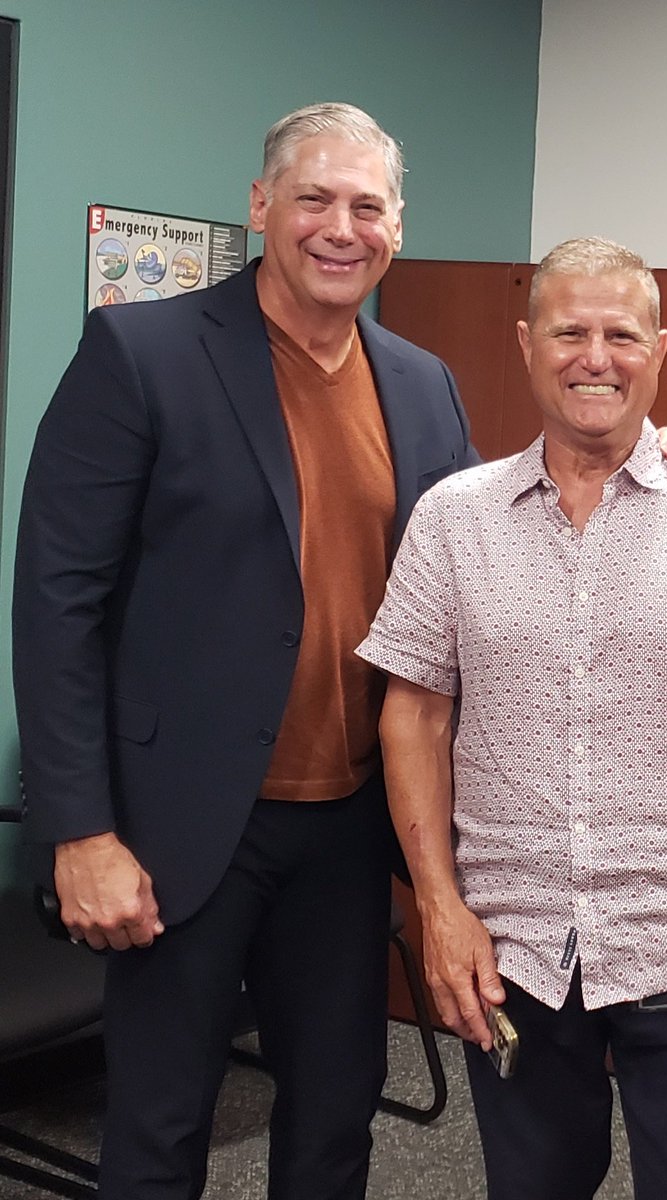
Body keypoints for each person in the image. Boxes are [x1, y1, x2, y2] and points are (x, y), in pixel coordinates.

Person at [11, 101, 481, 1200]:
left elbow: (481, 561)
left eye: (368, 206)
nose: (340, 227)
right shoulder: (143, 351)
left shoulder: (423, 384)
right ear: (262, 205)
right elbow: (56, 601)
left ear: (397, 229)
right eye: (314, 197)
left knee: (333, 1121)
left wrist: (640, 455)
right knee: (162, 1126)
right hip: (182, 827)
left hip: (353, 830)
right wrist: (79, 830)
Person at [357, 236, 667, 1200]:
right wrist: (436, 907)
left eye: (620, 333)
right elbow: (412, 719)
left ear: (659, 348)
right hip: (514, 941)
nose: (594, 357)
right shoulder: (455, 518)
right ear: (527, 344)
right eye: (569, 331)